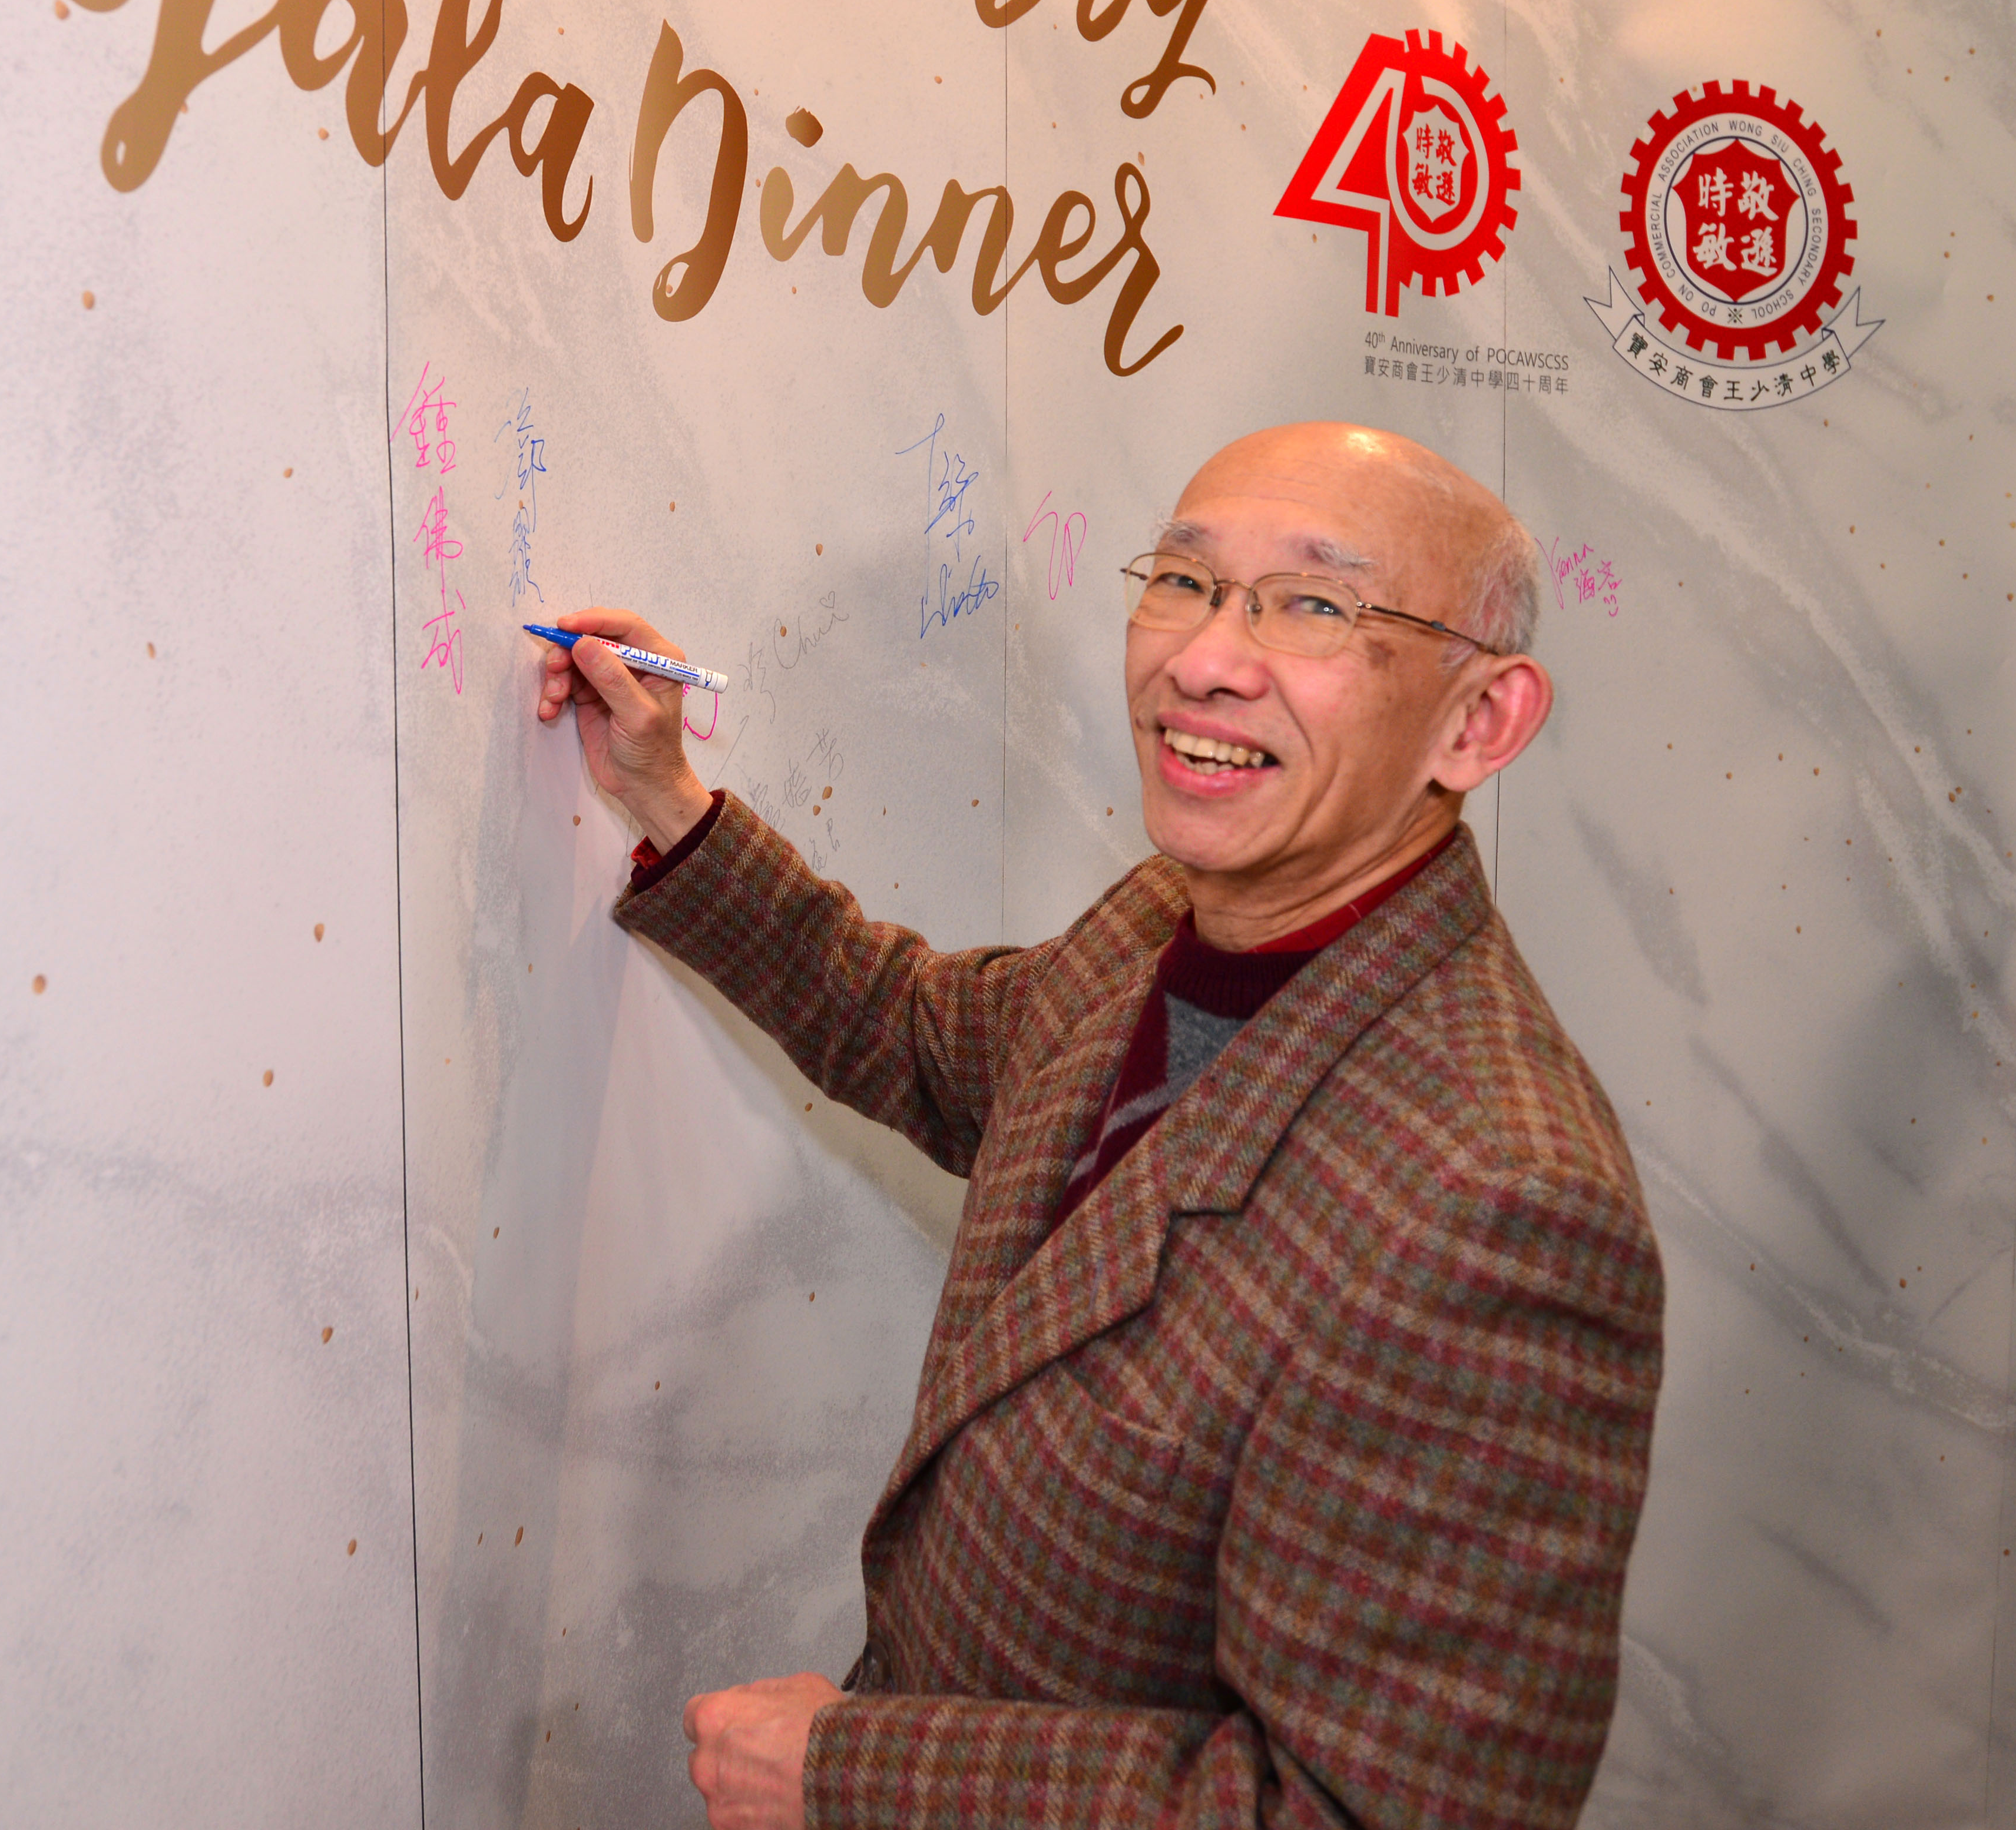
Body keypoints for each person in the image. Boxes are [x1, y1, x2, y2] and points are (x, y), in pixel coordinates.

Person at [533, 423, 1664, 1830]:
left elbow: (1366, 1812)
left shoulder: (1495, 1202)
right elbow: (932, 1040)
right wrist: (665, 795)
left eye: (1314, 604)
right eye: (1183, 580)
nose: (1205, 657)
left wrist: (850, 1772)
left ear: (1477, 722)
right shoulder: (1174, 914)